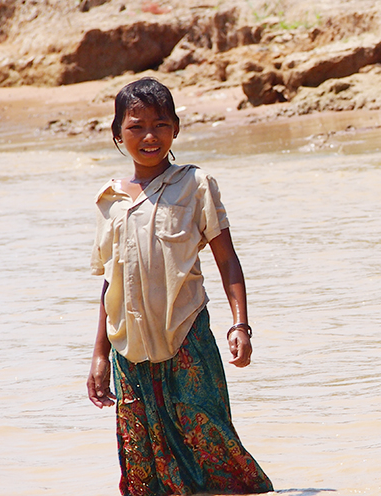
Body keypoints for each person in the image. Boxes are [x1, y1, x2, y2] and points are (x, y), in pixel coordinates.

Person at [86, 78, 273, 496]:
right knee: (146, 466)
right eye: (136, 126)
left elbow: (227, 260)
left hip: (186, 337)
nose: (149, 136)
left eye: (161, 124)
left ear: (176, 130)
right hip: (128, 351)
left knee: (213, 444)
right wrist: (99, 356)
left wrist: (240, 325)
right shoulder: (108, 200)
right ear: (117, 133)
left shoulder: (195, 184)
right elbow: (108, 283)